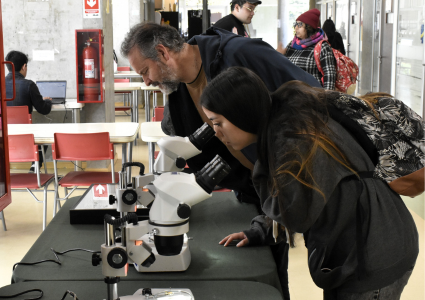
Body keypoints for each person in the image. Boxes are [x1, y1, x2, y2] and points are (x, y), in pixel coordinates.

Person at [121, 22, 321, 300]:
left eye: (145, 71)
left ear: (163, 52)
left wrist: (283, 162)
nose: (146, 81)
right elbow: (180, 138)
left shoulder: (241, 54)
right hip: (255, 191)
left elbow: (313, 97)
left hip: (291, 183)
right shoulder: (177, 88)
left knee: (278, 276)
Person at [201, 66, 419, 300]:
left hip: (374, 255)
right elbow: (303, 197)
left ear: (241, 112)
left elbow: (293, 211)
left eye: (218, 122)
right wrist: (262, 229)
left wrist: (264, 218)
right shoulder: (288, 116)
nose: (215, 132)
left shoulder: (294, 140)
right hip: (375, 239)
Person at [5, 50, 52, 173]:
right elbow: (43, 110)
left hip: (4, 134)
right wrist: (48, 101)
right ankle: (34, 166)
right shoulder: (29, 85)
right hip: (25, 135)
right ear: (24, 66)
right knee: (44, 132)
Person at [279, 9, 336, 90]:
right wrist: (280, 55)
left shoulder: (322, 46)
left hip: (313, 97)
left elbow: (330, 75)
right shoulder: (293, 44)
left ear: (309, 27)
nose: (296, 28)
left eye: (300, 25)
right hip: (291, 95)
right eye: (296, 24)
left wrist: (327, 98)